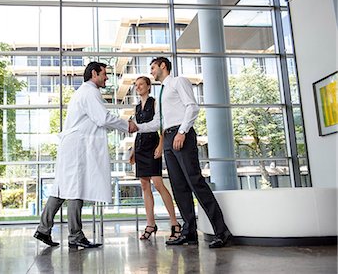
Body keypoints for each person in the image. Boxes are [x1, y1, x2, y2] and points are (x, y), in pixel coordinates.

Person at [33, 61, 136, 249]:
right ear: (94, 74)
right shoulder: (90, 92)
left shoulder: (83, 92)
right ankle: (74, 236)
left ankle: (43, 229)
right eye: (104, 74)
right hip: (76, 148)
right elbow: (102, 118)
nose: (107, 77)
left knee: (63, 188)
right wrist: (126, 125)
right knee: (74, 189)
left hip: (73, 147)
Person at [135, 57, 232, 248]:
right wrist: (135, 127)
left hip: (181, 135)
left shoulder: (178, 82)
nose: (152, 72)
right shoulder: (162, 92)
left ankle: (222, 232)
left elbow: (192, 107)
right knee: (179, 187)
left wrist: (182, 132)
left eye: (153, 68)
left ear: (163, 66)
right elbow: (158, 123)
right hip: (169, 138)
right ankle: (189, 232)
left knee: (195, 182)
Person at [129, 76, 181, 241]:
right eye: (136, 85)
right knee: (144, 185)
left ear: (148, 86)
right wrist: (132, 150)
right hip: (139, 146)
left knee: (158, 183)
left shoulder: (155, 102)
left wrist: (160, 145)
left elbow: (160, 125)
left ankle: (175, 223)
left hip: (152, 144)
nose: (138, 88)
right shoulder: (137, 107)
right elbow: (137, 130)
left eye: (141, 84)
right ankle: (150, 224)